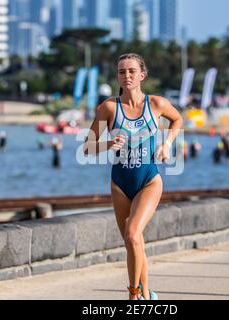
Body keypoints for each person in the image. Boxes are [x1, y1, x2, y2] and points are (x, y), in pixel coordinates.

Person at [83, 53, 183, 300]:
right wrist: (108, 144)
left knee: (132, 233)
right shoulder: (108, 108)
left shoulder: (156, 104)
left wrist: (167, 143)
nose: (126, 75)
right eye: (121, 72)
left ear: (142, 75)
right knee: (133, 242)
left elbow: (178, 119)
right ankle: (147, 295)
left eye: (131, 71)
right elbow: (88, 147)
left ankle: (133, 295)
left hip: (149, 179)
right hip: (120, 183)